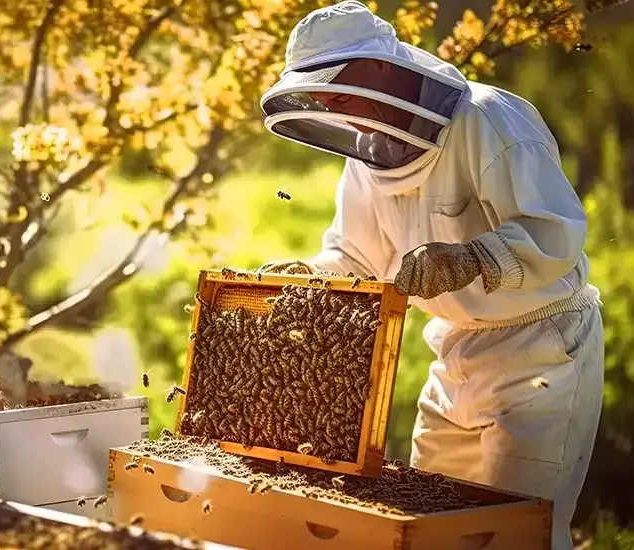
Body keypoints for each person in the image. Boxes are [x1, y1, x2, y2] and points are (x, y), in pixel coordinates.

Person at [256, 2, 604, 549]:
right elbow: (357, 258)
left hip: (540, 353)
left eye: (332, 82)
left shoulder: (489, 119)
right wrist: (307, 275)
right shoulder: (368, 150)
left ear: (378, 67)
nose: (325, 102)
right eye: (314, 88)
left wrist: (473, 258)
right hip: (451, 356)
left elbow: (555, 233)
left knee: (517, 531)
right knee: (427, 528)